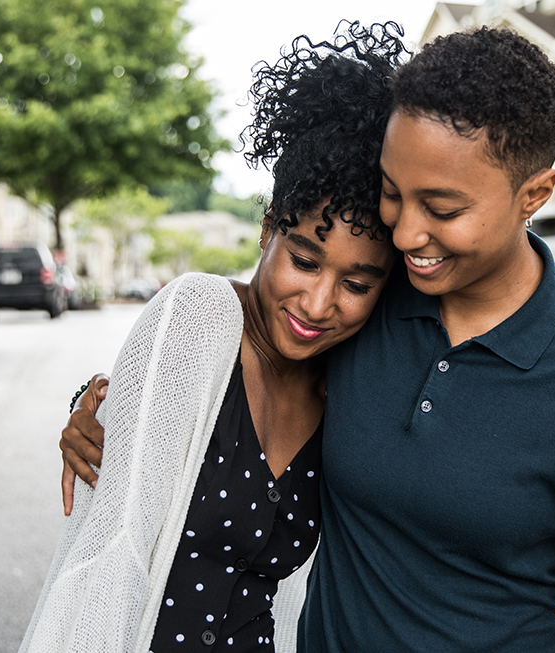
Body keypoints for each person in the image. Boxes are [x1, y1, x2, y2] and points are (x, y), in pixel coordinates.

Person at [64, 26, 555, 653]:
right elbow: (242, 334)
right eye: (391, 191)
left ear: (535, 194)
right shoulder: (370, 295)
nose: (405, 233)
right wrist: (100, 400)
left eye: (442, 208)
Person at [21, 22, 403, 653]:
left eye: (357, 284)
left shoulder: (348, 383)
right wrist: (94, 409)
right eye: (304, 260)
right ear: (266, 231)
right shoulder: (197, 315)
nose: (318, 303)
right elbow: (111, 557)